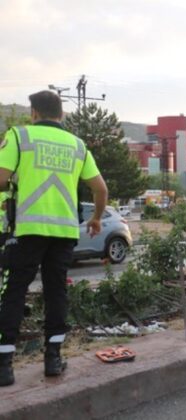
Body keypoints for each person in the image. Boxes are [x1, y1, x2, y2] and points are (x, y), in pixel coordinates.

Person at [0, 90, 108, 386]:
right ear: (61, 114)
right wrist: (96, 218)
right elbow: (101, 189)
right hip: (63, 232)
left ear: (34, 112)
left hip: (27, 230)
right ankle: (53, 358)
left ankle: (4, 365)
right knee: (56, 291)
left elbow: (0, 178)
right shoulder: (77, 145)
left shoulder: (20, 137)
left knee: (15, 291)